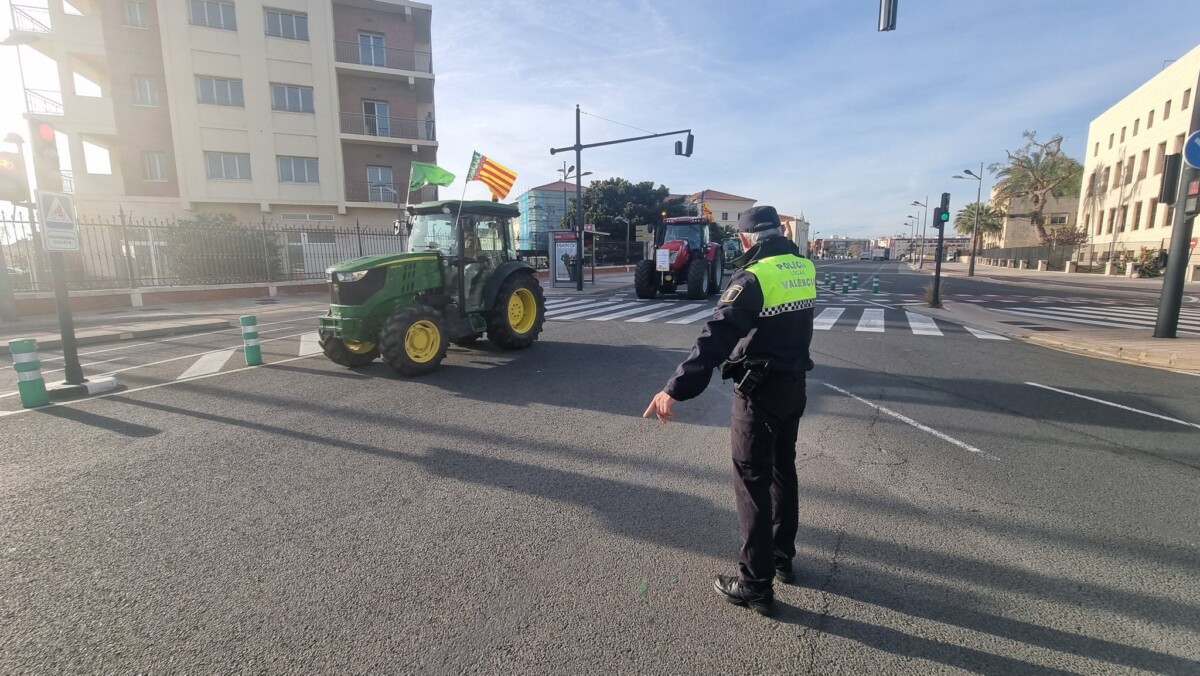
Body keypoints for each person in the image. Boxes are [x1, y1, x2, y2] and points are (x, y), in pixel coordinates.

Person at [642, 205, 816, 617]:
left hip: (760, 394)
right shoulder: (803, 268)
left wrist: (675, 389)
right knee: (781, 471)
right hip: (794, 388)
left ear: (744, 239)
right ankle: (780, 556)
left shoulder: (754, 276)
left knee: (752, 481)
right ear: (781, 231)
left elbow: (716, 336)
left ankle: (755, 585)